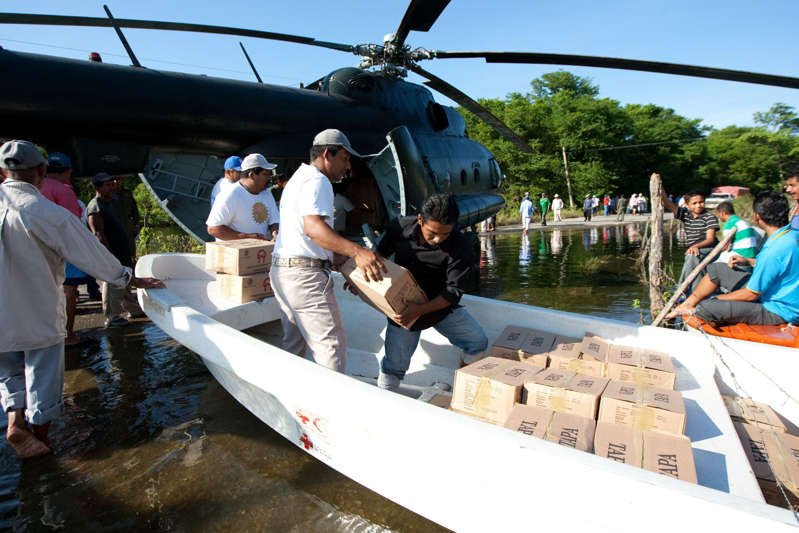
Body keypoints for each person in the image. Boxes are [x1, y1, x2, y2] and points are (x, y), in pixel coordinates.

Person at [0, 140, 163, 458]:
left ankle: (15, 422)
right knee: (42, 374)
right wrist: (128, 278)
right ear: (41, 171)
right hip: (37, 309)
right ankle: (39, 438)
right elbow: (91, 254)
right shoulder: (46, 213)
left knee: (8, 371)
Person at [269, 129, 385, 373]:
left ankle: (292, 401)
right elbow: (314, 229)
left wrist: (345, 265)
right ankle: (329, 407)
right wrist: (358, 253)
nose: (347, 167)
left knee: (294, 346)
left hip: (283, 273)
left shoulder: (298, 179)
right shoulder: (318, 180)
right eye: (344, 159)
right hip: (305, 278)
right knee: (331, 349)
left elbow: (306, 236)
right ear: (326, 154)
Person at [375, 194, 488, 391]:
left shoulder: (460, 246)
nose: (438, 239)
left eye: (445, 234)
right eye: (433, 233)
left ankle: (461, 391)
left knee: (478, 343)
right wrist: (360, 280)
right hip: (404, 308)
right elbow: (378, 256)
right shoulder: (400, 227)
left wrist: (421, 309)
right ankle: (385, 398)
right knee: (393, 369)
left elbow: (453, 292)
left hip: (438, 304)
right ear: (420, 220)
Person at [667, 191, 799, 326]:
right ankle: (687, 304)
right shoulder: (792, 234)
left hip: (779, 311)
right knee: (717, 269)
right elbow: (781, 264)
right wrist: (747, 261)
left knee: (706, 306)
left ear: (756, 216)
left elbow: (751, 294)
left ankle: (710, 316)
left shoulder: (773, 249)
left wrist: (718, 299)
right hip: (773, 293)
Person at [39, 153, 92, 346]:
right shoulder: (63, 190)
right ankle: (68, 335)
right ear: (68, 171)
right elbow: (72, 225)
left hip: (36, 249)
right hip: (60, 249)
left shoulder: (33, 187)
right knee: (69, 290)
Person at [87, 173, 140, 327]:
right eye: (108, 185)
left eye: (113, 184)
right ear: (98, 187)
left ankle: (132, 309)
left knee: (124, 279)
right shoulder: (96, 207)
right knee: (111, 282)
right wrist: (109, 256)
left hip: (122, 249)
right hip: (111, 253)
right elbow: (98, 234)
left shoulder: (110, 202)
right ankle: (112, 316)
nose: (113, 187)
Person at [206, 153, 280, 241]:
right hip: (234, 253)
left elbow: (274, 220)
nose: (269, 178)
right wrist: (247, 237)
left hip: (259, 251)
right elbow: (213, 229)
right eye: (265, 174)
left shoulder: (267, 193)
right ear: (252, 175)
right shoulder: (229, 194)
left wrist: (275, 231)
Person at [661, 182, 719, 293]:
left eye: (701, 202)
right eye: (694, 203)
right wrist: (660, 184)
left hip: (709, 248)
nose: (698, 205)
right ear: (687, 205)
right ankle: (689, 291)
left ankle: (682, 290)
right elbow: (667, 202)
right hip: (695, 249)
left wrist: (695, 246)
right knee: (692, 257)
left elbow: (710, 239)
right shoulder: (686, 215)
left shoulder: (709, 217)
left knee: (692, 256)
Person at [112, 176, 141, 260]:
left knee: (130, 247)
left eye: (118, 180)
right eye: (114, 180)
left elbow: (134, 209)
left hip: (128, 223)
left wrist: (136, 223)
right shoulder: (110, 194)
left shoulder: (127, 193)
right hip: (116, 223)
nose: (116, 182)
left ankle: (131, 261)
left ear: (122, 180)